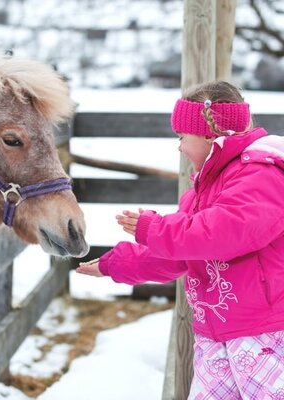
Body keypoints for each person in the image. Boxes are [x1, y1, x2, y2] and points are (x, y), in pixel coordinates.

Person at [76, 80, 284, 399]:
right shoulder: (200, 193)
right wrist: (115, 264)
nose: (179, 146)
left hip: (262, 332)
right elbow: (178, 254)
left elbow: (226, 231)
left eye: (181, 136)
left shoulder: (260, 174)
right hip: (214, 334)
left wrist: (155, 229)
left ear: (208, 134)